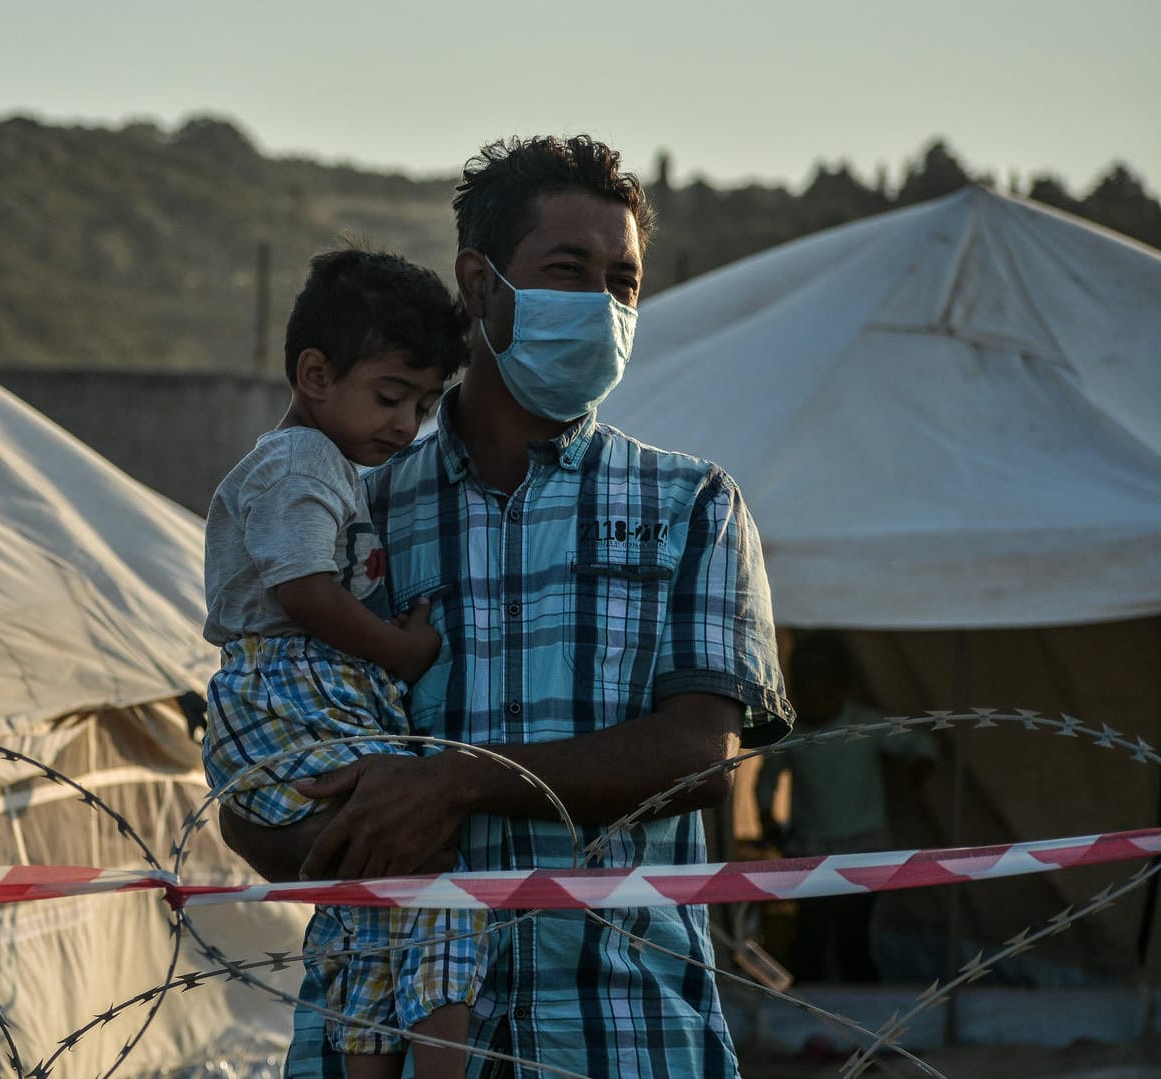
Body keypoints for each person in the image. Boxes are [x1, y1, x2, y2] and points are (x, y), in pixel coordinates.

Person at [217, 135, 795, 1079]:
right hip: (385, 1039)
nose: (602, 306)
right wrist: (312, 835)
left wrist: (451, 783)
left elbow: (697, 757)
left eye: (623, 282)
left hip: (623, 1034)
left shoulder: (691, 506)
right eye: (568, 272)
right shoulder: (350, 505)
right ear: (479, 285)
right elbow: (260, 733)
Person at [202, 247, 480, 1078]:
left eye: (425, 405)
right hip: (292, 701)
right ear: (315, 374)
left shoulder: (332, 464)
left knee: (376, 899)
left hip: (314, 700)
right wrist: (405, 648)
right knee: (423, 879)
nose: (406, 425)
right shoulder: (300, 463)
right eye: (390, 396)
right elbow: (307, 594)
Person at [756, 632, 935, 983]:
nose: (815, 700)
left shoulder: (863, 725)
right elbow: (766, 780)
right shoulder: (792, 734)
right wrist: (766, 818)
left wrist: (921, 766)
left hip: (864, 849)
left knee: (854, 936)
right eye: (806, 691)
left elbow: (920, 742)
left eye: (824, 692)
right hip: (810, 849)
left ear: (843, 688)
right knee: (811, 936)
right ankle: (807, 1013)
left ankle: (865, 1016)